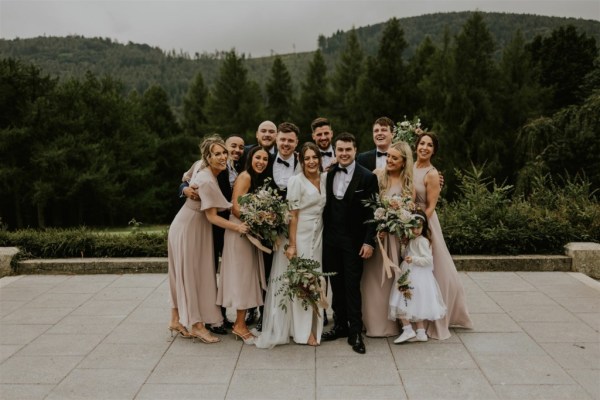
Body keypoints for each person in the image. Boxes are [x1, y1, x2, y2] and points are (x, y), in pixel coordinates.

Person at [167, 135, 249, 343]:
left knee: (183, 273)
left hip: (193, 224)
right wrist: (239, 226)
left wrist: (186, 185)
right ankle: (197, 326)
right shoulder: (207, 178)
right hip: (191, 225)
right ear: (208, 157)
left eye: (224, 153)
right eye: (218, 154)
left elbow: (185, 176)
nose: (223, 157)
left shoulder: (201, 168)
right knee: (192, 275)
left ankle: (176, 319)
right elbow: (212, 215)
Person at [255, 142, 327, 348]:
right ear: (301, 162)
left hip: (318, 235)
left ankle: (314, 325)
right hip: (300, 235)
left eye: (315, 158)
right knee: (300, 282)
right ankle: (303, 332)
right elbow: (292, 215)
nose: (311, 162)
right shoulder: (296, 181)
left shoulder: (324, 179)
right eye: (307, 159)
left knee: (315, 279)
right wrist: (293, 245)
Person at [321, 132, 378, 354]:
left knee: (352, 286)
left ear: (355, 151)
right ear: (336, 151)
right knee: (335, 284)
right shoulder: (329, 173)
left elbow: (375, 212)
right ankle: (340, 325)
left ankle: (355, 332)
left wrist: (369, 242)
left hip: (354, 241)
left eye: (348, 150)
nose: (344, 153)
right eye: (340, 150)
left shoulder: (367, 177)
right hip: (330, 240)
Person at [413, 132, 473, 339]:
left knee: (435, 268)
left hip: (425, 223)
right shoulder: (409, 167)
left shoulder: (432, 173)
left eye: (429, 145)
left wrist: (418, 224)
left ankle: (438, 315)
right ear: (416, 146)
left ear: (434, 150)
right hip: (407, 220)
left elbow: (430, 206)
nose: (424, 148)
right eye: (422, 143)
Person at [217, 146, 272, 344]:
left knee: (247, 277)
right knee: (242, 278)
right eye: (258, 157)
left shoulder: (255, 179)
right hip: (240, 231)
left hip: (249, 231)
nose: (261, 162)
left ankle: (240, 323)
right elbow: (235, 206)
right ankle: (239, 325)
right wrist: (257, 219)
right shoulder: (245, 176)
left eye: (265, 159)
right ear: (251, 158)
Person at [361, 140, 414, 337]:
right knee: (371, 281)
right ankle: (373, 323)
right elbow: (369, 206)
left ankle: (395, 324)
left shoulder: (408, 183)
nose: (389, 160)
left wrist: (398, 223)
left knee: (393, 281)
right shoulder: (376, 175)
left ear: (403, 162)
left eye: (394, 158)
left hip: (395, 239)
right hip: (376, 236)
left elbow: (410, 211)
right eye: (388, 156)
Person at [389, 209, 447, 343]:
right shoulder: (412, 240)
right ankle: (421, 333)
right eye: (413, 227)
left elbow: (428, 260)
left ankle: (408, 329)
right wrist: (404, 246)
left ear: (424, 227)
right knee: (415, 304)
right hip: (409, 272)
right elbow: (405, 255)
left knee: (403, 301)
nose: (416, 230)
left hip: (415, 275)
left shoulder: (422, 241)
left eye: (419, 227)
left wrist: (413, 259)